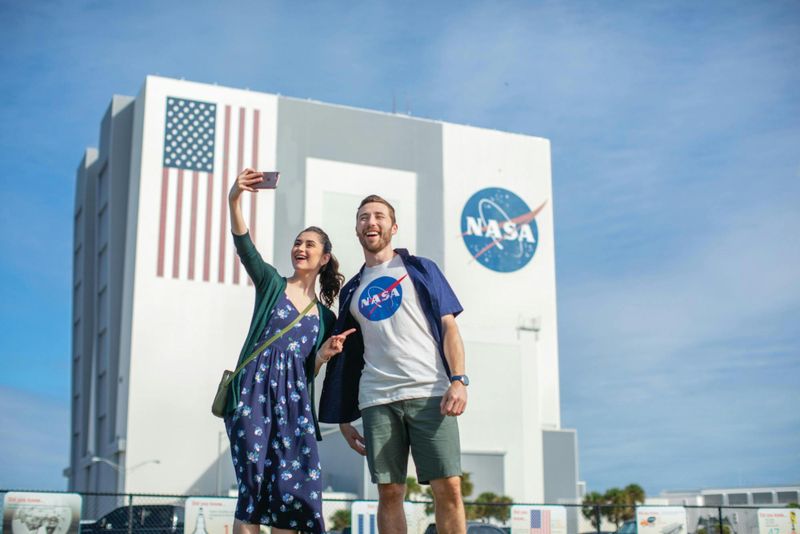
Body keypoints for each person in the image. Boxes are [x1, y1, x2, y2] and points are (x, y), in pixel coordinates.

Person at [319, 194, 469, 534]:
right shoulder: (352, 290)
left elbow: (450, 328)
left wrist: (458, 379)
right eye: (363, 218)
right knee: (389, 492)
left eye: (378, 216)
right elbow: (345, 359)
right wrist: (343, 418)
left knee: (449, 488)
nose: (371, 222)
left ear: (393, 226)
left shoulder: (420, 269)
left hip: (431, 392)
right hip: (378, 399)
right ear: (357, 229)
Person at [223, 168, 355, 534]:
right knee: (252, 491)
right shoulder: (271, 285)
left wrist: (323, 355)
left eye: (309, 244)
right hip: (252, 394)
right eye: (298, 242)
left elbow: (305, 370)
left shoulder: (325, 317)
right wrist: (234, 198)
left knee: (292, 494)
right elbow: (243, 244)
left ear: (325, 257)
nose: (300, 248)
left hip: (295, 406)